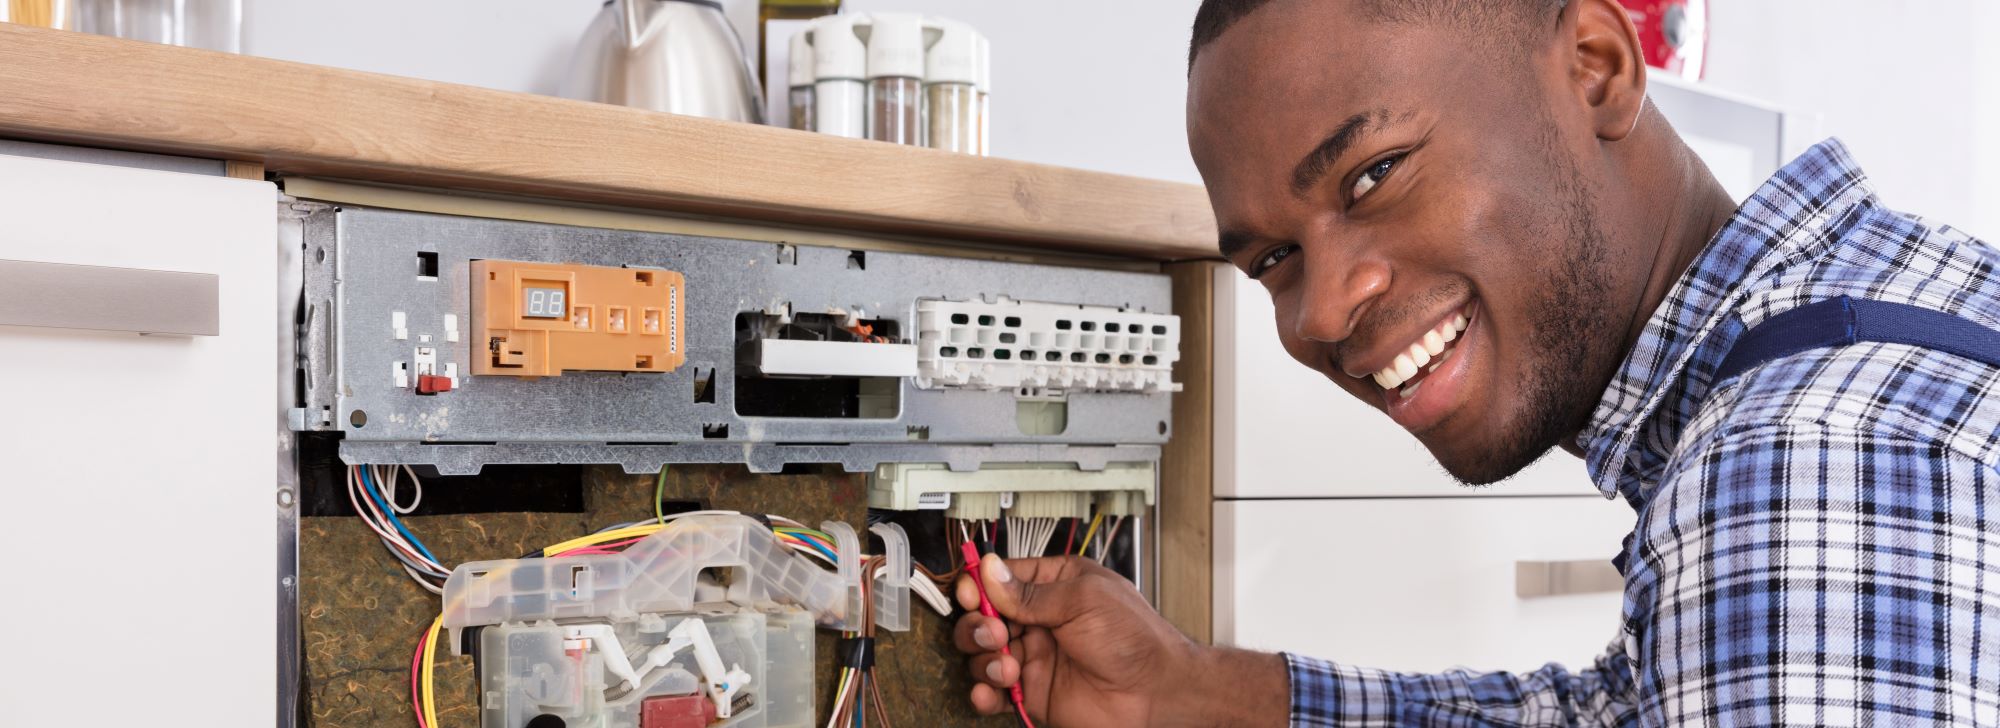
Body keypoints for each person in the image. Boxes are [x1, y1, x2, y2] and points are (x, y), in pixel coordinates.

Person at [953, 0, 2000, 725]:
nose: (1322, 309)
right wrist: (1187, 693)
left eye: (1373, 175)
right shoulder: (1868, 319)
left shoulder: (1797, 474)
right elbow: (1620, 712)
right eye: (1273, 260)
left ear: (1596, 67)